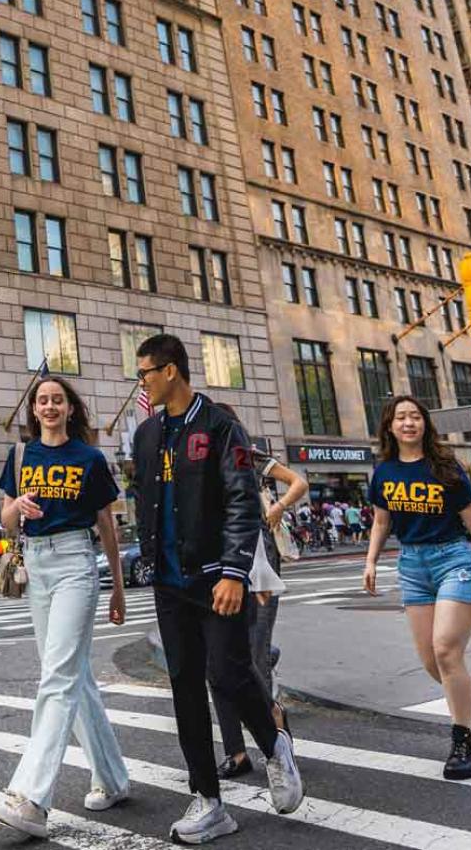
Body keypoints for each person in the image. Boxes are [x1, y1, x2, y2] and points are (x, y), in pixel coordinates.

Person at [131, 334, 302, 844]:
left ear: (170, 371)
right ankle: (207, 799)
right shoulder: (145, 435)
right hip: (169, 581)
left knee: (226, 675)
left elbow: (241, 500)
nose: (141, 382)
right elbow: (145, 499)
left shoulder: (220, 426)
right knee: (184, 686)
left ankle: (274, 747)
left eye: (144, 373)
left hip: (215, 578)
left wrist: (233, 571)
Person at [0, 375, 130, 838]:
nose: (49, 406)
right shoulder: (21, 455)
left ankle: (31, 796)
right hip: (36, 564)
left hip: (75, 562)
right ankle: (112, 779)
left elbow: (106, 522)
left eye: (57, 400)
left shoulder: (88, 457)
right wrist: (18, 507)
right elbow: (5, 518)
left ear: (71, 408)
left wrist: (118, 585)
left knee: (57, 676)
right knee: (72, 676)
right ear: (34, 410)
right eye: (42, 400)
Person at [364, 395, 471, 780]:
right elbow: (382, 522)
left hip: (454, 560)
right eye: (401, 417)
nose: (409, 423)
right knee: (432, 661)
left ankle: (462, 743)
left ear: (425, 425)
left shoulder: (445, 466)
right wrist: (370, 561)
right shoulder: (383, 472)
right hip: (412, 566)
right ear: (390, 426)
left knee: (447, 650)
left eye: (415, 416)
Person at [209, 405, 309, 781]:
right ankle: (235, 752)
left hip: (258, 564)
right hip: (219, 569)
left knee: (251, 657)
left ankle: (273, 719)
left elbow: (299, 482)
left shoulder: (250, 457)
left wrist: (278, 508)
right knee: (216, 662)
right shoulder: (201, 466)